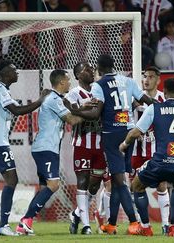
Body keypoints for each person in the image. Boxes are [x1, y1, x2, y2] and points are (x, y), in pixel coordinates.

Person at [68, 54, 153, 235]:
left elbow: (95, 113)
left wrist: (74, 109)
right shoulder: (128, 81)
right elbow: (145, 101)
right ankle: (112, 223)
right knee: (116, 181)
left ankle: (133, 222)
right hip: (129, 133)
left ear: (98, 68)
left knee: (119, 181)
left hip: (110, 136)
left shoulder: (99, 85)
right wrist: (162, 109)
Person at [0, 59, 50, 236]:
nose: (17, 72)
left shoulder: (0, 89)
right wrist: (41, 100)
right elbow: (17, 111)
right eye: (14, 70)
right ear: (5, 73)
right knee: (11, 180)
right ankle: (3, 225)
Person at [120, 77, 174, 237]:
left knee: (137, 186)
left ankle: (145, 227)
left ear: (164, 92)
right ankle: (172, 227)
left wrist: (124, 144)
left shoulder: (154, 108)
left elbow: (135, 132)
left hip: (160, 162)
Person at [16, 69, 85, 235]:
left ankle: (26, 223)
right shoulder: (54, 99)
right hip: (46, 149)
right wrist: (95, 114)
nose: (70, 83)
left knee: (45, 188)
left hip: (46, 148)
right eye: (68, 80)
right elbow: (72, 120)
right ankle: (25, 220)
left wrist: (83, 108)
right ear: (61, 82)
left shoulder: (57, 98)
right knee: (53, 185)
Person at [65, 62, 111, 235]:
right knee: (83, 182)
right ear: (77, 75)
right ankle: (87, 226)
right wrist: (85, 108)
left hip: (101, 144)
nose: (91, 71)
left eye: (92, 68)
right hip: (82, 143)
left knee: (95, 185)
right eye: (86, 69)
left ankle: (76, 214)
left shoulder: (100, 90)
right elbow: (69, 117)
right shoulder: (72, 94)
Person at [130, 66, 170, 234]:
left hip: (156, 150)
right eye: (145, 76)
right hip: (136, 150)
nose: (147, 80)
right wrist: (132, 130)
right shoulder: (134, 99)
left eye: (151, 77)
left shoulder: (163, 100)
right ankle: (142, 223)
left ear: (158, 80)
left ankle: (165, 224)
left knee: (161, 185)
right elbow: (125, 119)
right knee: (135, 186)